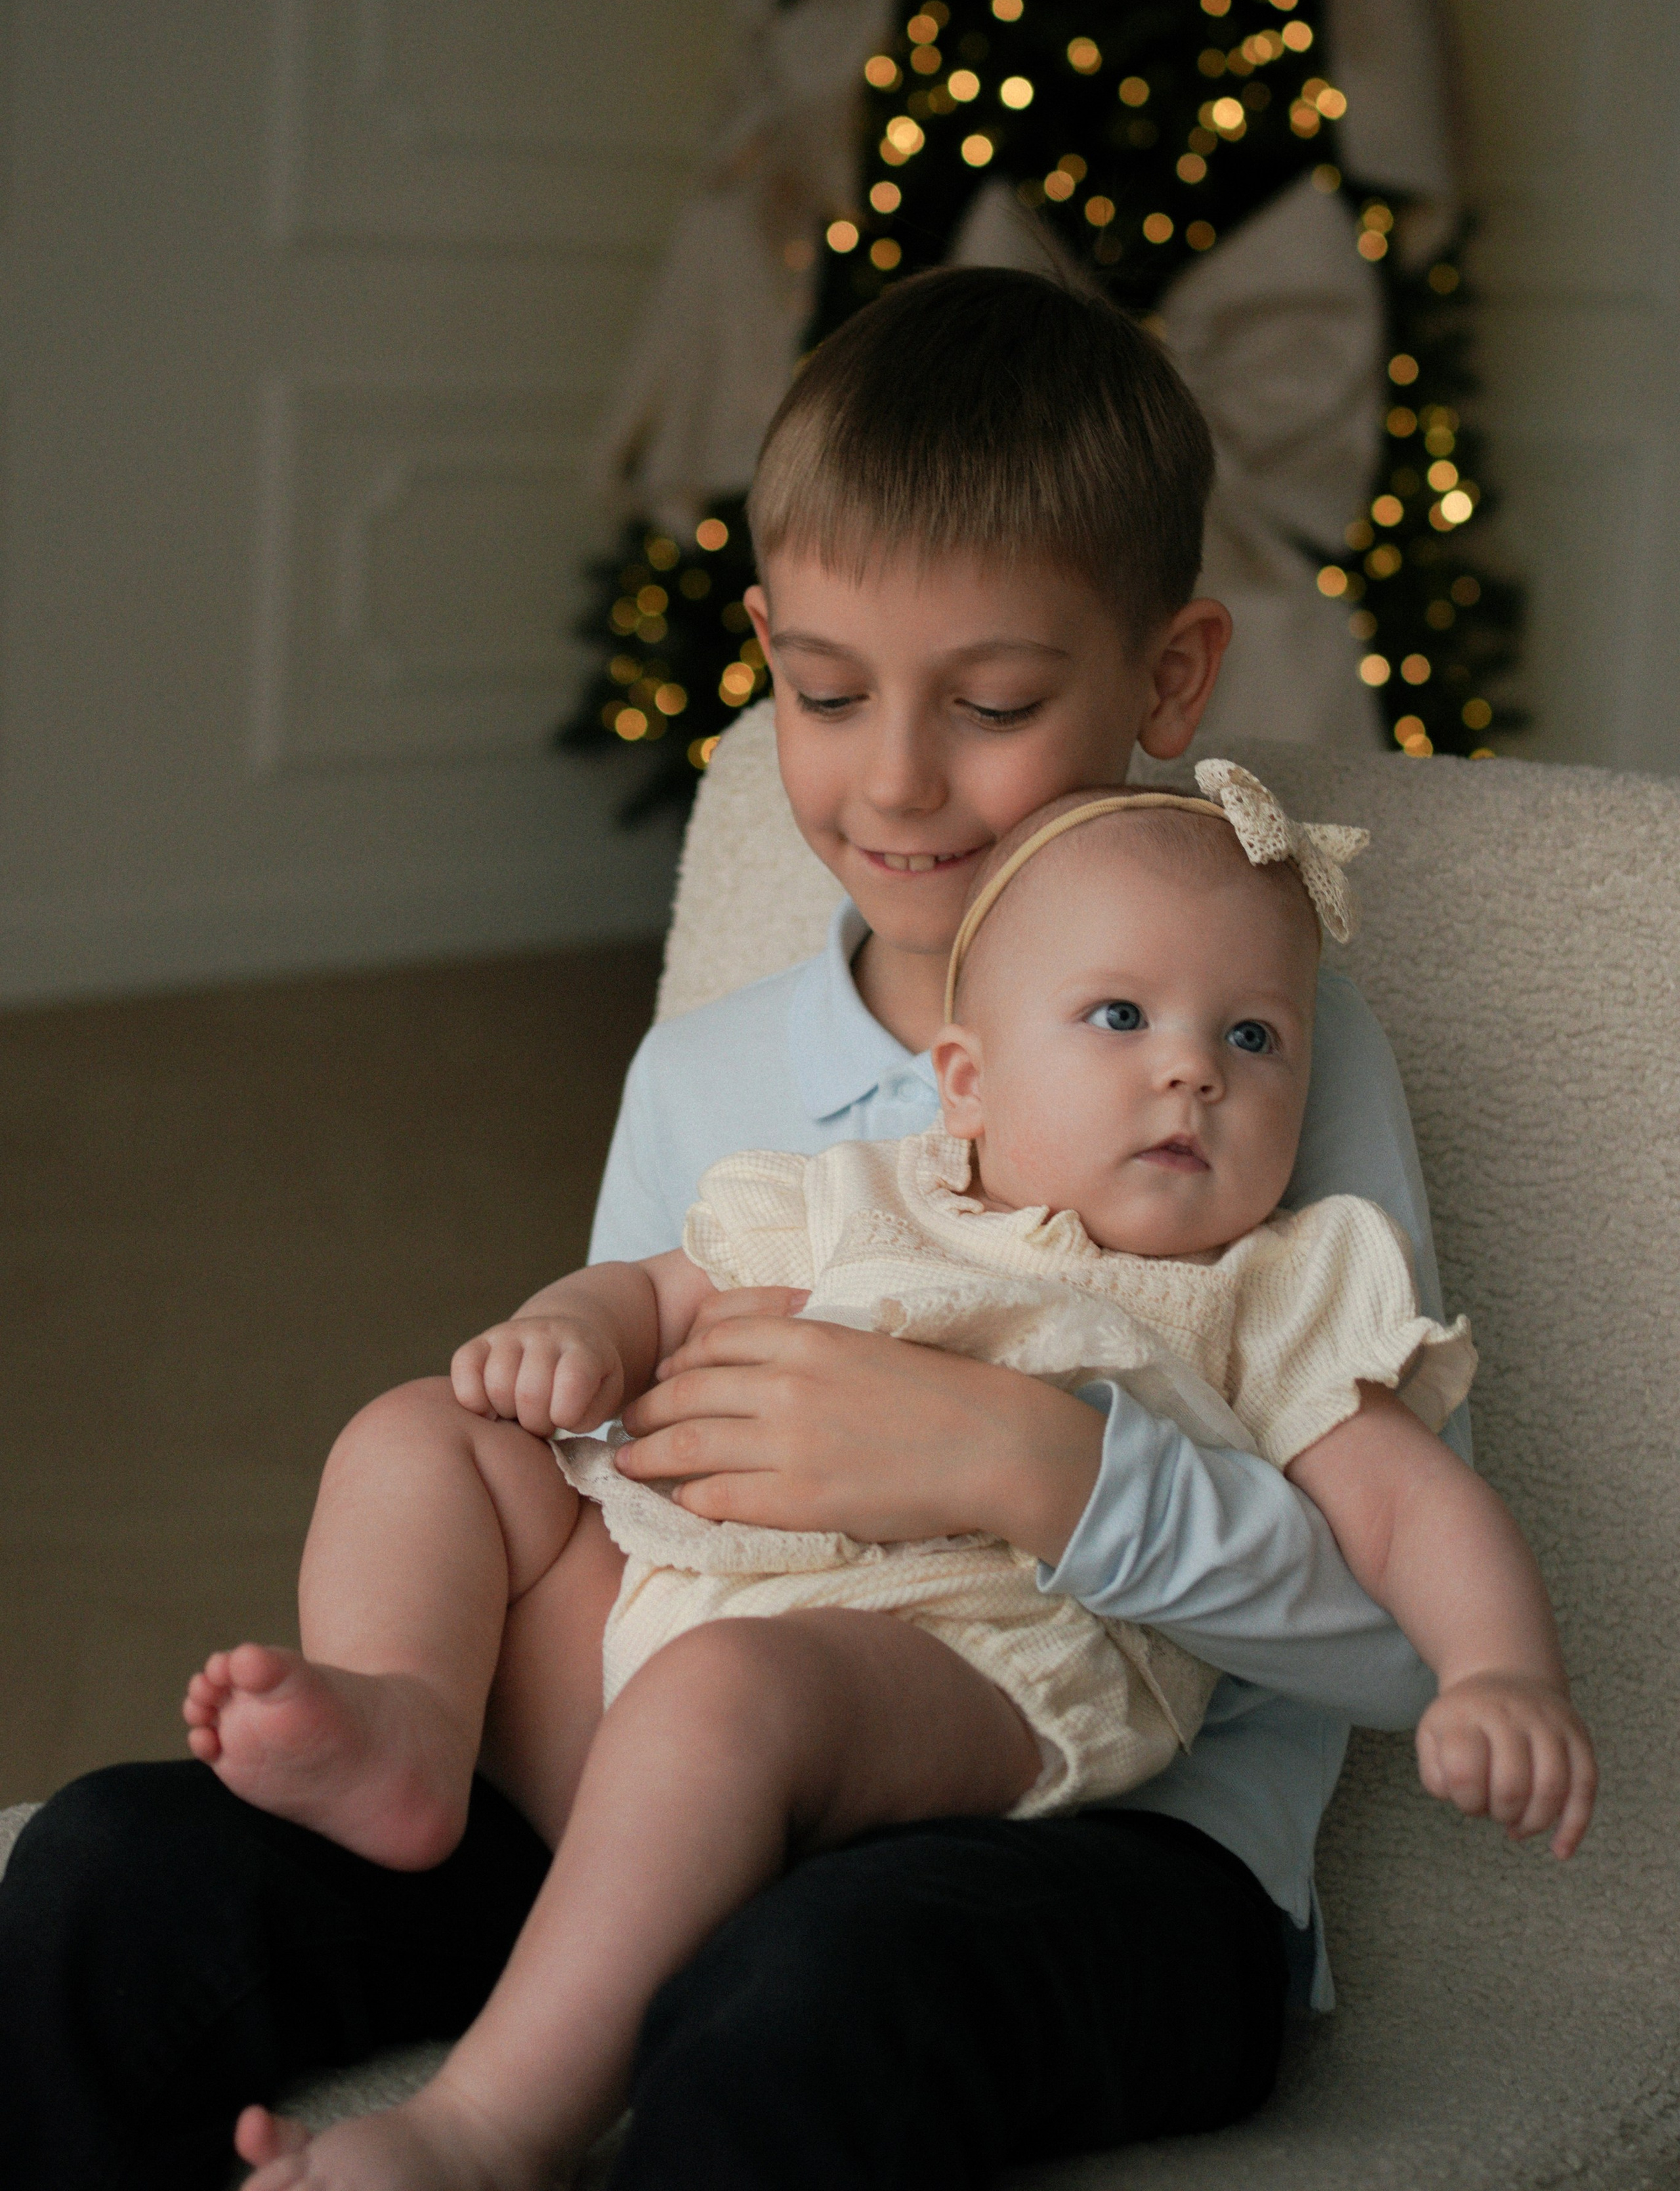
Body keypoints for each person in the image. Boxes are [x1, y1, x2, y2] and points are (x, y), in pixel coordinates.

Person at [0, 269, 1525, 2188]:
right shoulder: (715, 1078)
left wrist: (1030, 1465)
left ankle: (502, 2119)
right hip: (654, 1775)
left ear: (1165, 678)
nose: (892, 779)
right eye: (823, 692)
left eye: (989, 703)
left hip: (1096, 1843)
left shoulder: (1253, 1058)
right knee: (114, 1873)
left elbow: (1402, 1635)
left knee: (807, 2004)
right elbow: (623, 1488)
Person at [182, 765, 1595, 2190]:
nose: (1192, 1070)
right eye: (1119, 1017)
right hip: (674, 1602)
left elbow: (1410, 1507)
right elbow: (653, 1288)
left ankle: (483, 2131)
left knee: (727, 1698)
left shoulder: (1262, 1289)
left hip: (974, 1667)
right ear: (965, 1083)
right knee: (420, 1433)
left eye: (1253, 1037)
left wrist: (1499, 1673)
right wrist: (567, 1333)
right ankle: (407, 1725)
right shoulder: (859, 1192)